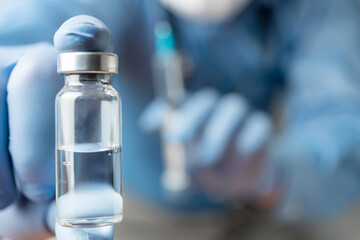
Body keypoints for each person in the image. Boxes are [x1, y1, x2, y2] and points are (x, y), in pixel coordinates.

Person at [1, 0, 360, 239]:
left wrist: (274, 173)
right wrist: (15, 59)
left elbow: (343, 136)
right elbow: (37, 19)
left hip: (256, 217)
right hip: (132, 216)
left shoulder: (324, 10)